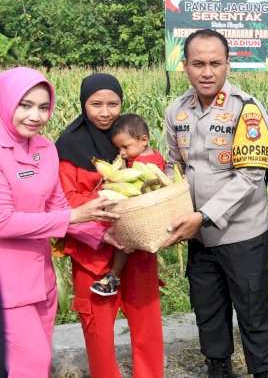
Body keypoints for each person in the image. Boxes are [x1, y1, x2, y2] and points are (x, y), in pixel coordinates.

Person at [162, 28, 268, 378]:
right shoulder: (176, 111)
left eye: (215, 63)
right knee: (208, 310)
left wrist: (203, 216)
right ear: (185, 66)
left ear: (229, 64)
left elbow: (250, 177)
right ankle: (219, 368)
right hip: (198, 236)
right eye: (198, 63)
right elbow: (174, 165)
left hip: (241, 233)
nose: (207, 72)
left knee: (253, 312)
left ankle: (264, 372)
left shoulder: (247, 111)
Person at [0, 67, 117, 377]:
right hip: (9, 284)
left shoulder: (44, 149)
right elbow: (4, 221)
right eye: (24, 105)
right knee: (32, 365)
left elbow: (58, 206)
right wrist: (74, 215)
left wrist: (101, 234)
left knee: (38, 362)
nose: (35, 116)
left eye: (42, 107)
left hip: (42, 279)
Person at [56, 72, 164, 378]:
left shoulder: (128, 138)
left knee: (146, 322)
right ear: (83, 104)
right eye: (96, 104)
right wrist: (105, 225)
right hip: (92, 253)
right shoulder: (68, 145)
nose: (105, 112)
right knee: (98, 329)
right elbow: (66, 199)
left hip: (137, 246)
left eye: (113, 103)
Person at [90, 113, 167, 297]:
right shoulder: (153, 156)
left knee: (122, 241)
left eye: (125, 147)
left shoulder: (143, 164)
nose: (122, 152)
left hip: (142, 213)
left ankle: (113, 276)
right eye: (118, 148)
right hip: (149, 211)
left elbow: (132, 186)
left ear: (144, 140)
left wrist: (118, 173)